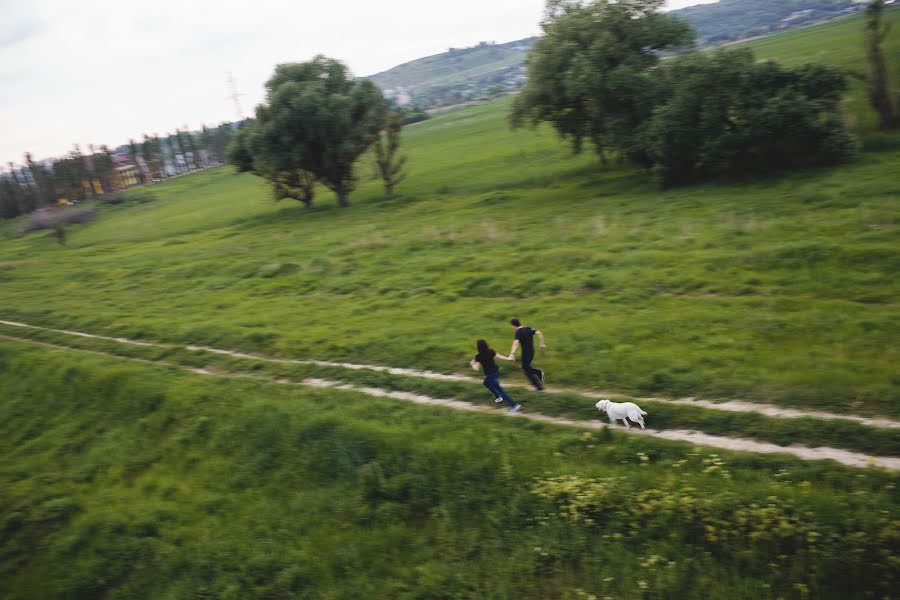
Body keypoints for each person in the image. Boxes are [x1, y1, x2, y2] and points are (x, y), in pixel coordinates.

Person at [470, 339, 522, 413]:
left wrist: (472, 365)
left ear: (478, 347)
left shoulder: (479, 356)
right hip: (496, 372)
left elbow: (477, 368)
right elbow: (500, 357)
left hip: (490, 375)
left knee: (500, 390)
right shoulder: (491, 351)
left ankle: (515, 405)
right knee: (486, 383)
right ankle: (498, 397)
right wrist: (508, 358)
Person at [508, 318, 546, 391]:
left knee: (526, 369)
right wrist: (542, 343)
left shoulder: (518, 332)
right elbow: (539, 333)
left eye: (511, 326)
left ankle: (539, 378)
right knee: (526, 369)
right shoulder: (528, 328)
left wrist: (512, 353)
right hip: (531, 351)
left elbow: (515, 343)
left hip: (526, 353)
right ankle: (538, 384)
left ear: (513, 325)